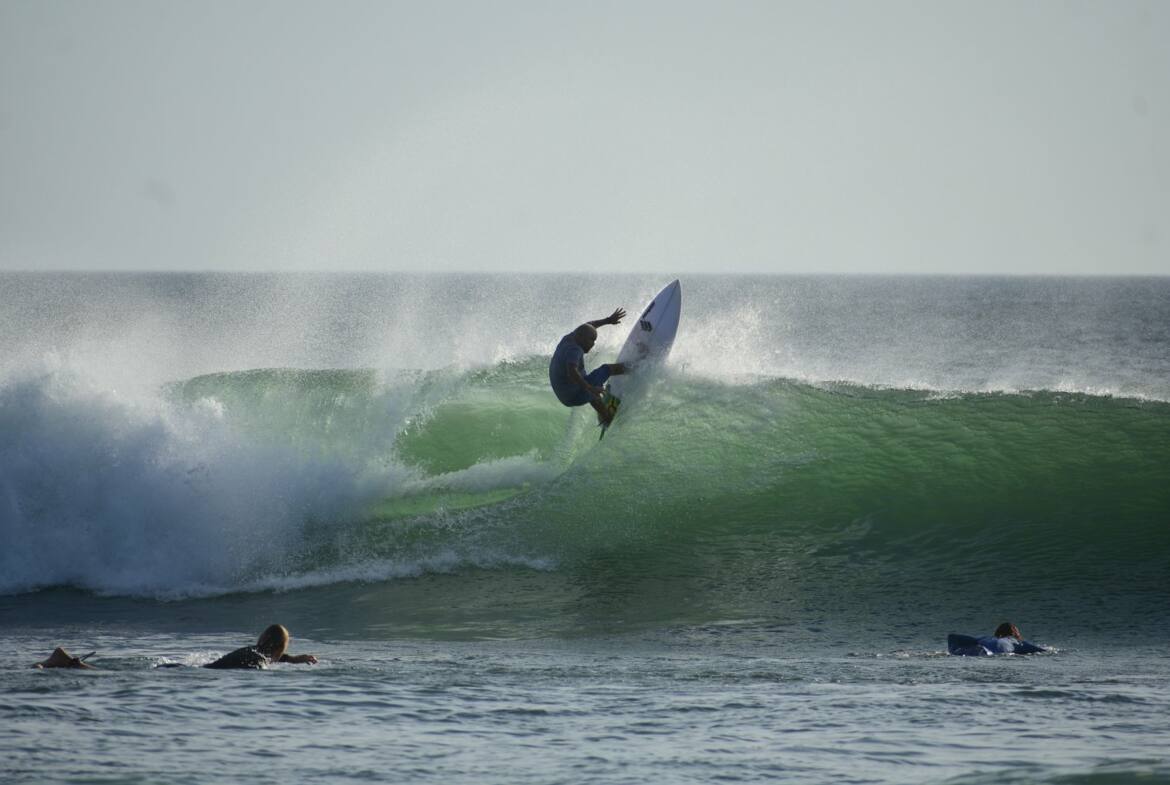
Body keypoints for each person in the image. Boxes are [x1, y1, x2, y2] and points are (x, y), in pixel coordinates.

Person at [549, 308, 628, 424]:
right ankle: (636, 366)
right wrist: (591, 388)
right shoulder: (575, 350)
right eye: (592, 340)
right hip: (573, 395)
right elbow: (572, 371)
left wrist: (608, 320)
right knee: (607, 369)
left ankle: (605, 415)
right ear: (582, 338)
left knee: (586, 377)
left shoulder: (570, 337)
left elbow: (589, 325)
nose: (593, 344)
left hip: (564, 395)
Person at [204, 624, 318, 669]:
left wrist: (297, 659)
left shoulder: (256, 652)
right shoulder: (258, 660)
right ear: (279, 648)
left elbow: (281, 658)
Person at [947, 622, 1049, 656]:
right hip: (992, 652)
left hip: (975, 647)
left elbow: (951, 637)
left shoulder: (985, 637)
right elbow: (1037, 651)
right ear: (1014, 634)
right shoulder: (1015, 642)